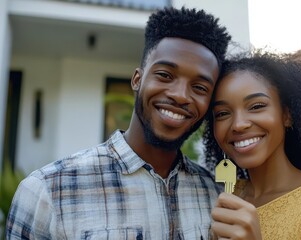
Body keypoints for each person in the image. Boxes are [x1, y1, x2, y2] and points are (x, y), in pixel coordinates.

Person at [6, 7, 231, 239]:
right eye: (165, 75)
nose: (181, 95)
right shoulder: (47, 191)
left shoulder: (217, 196)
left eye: (200, 88)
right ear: (137, 79)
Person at [203, 49, 301, 239]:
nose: (238, 124)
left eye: (256, 106)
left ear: (287, 115)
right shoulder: (221, 196)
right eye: (222, 113)